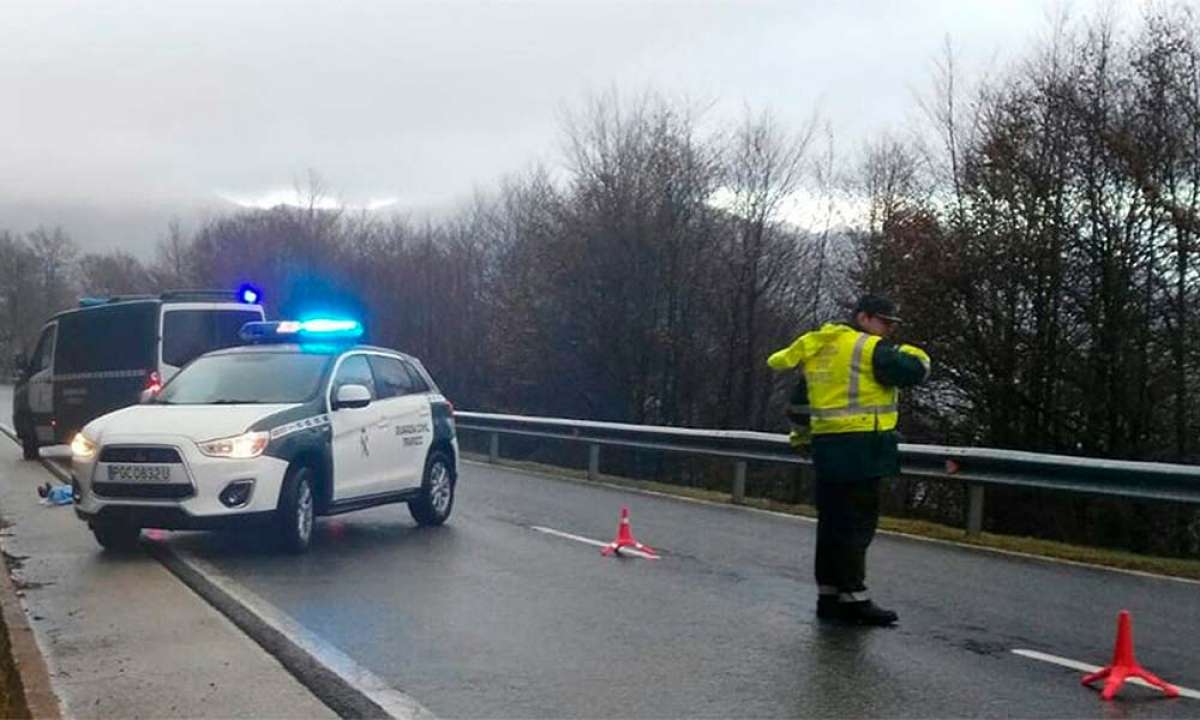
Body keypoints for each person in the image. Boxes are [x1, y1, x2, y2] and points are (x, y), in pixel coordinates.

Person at [767, 294, 930, 626]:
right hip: (862, 448)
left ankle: (829, 596)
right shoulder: (870, 349)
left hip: (828, 449)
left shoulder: (821, 347)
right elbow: (915, 370)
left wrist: (803, 438)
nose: (888, 330)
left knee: (831, 525)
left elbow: (799, 405)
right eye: (884, 322)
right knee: (856, 526)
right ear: (863, 317)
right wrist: (914, 352)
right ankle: (855, 599)